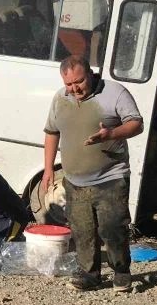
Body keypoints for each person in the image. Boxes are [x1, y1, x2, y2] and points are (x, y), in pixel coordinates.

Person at [42, 55, 143, 292]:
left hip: (110, 177)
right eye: (69, 84)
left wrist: (111, 134)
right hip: (74, 180)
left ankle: (121, 272)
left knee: (112, 228)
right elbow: (51, 132)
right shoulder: (60, 98)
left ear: (90, 74)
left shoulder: (114, 92)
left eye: (79, 81)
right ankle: (90, 275)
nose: (74, 88)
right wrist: (48, 169)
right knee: (82, 231)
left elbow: (137, 124)